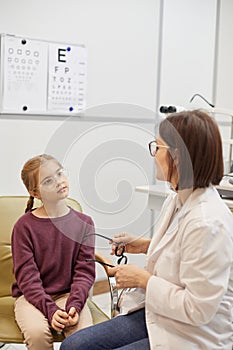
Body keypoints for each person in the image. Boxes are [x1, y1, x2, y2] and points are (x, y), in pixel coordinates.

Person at [60, 110, 233, 350]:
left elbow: (198, 310)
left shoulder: (207, 221)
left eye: (157, 148)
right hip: (163, 314)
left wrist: (143, 280)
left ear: (178, 157)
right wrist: (144, 245)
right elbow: (185, 252)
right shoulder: (177, 199)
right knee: (73, 346)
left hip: (195, 332)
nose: (153, 154)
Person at [11, 154, 95, 350]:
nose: (59, 182)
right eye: (48, 181)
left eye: (59, 174)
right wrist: (50, 309)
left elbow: (85, 271)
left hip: (69, 294)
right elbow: (27, 279)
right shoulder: (24, 227)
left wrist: (74, 303)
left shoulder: (84, 223)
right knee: (38, 335)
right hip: (31, 297)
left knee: (83, 339)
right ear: (35, 192)